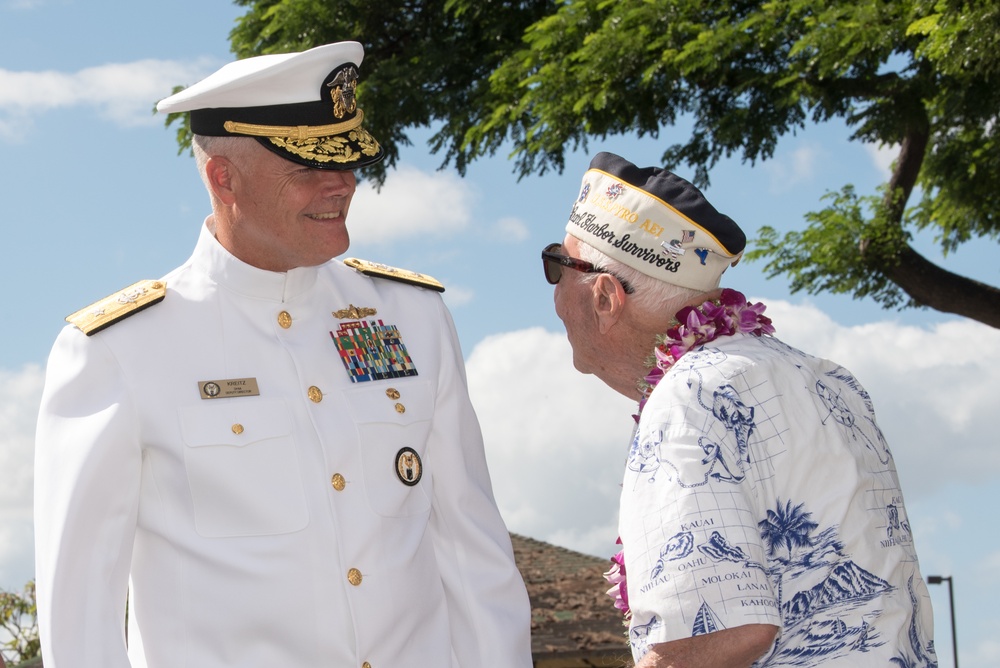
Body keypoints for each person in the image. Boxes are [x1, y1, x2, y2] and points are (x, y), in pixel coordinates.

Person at [34, 42, 532, 668]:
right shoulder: (120, 348)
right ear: (225, 178)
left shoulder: (412, 317)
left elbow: (472, 550)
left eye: (348, 159)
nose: (343, 184)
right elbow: (79, 608)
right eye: (310, 168)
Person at [542, 152, 937, 667]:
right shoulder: (831, 380)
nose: (551, 291)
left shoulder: (688, 396)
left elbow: (715, 633)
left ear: (605, 297)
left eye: (557, 266)